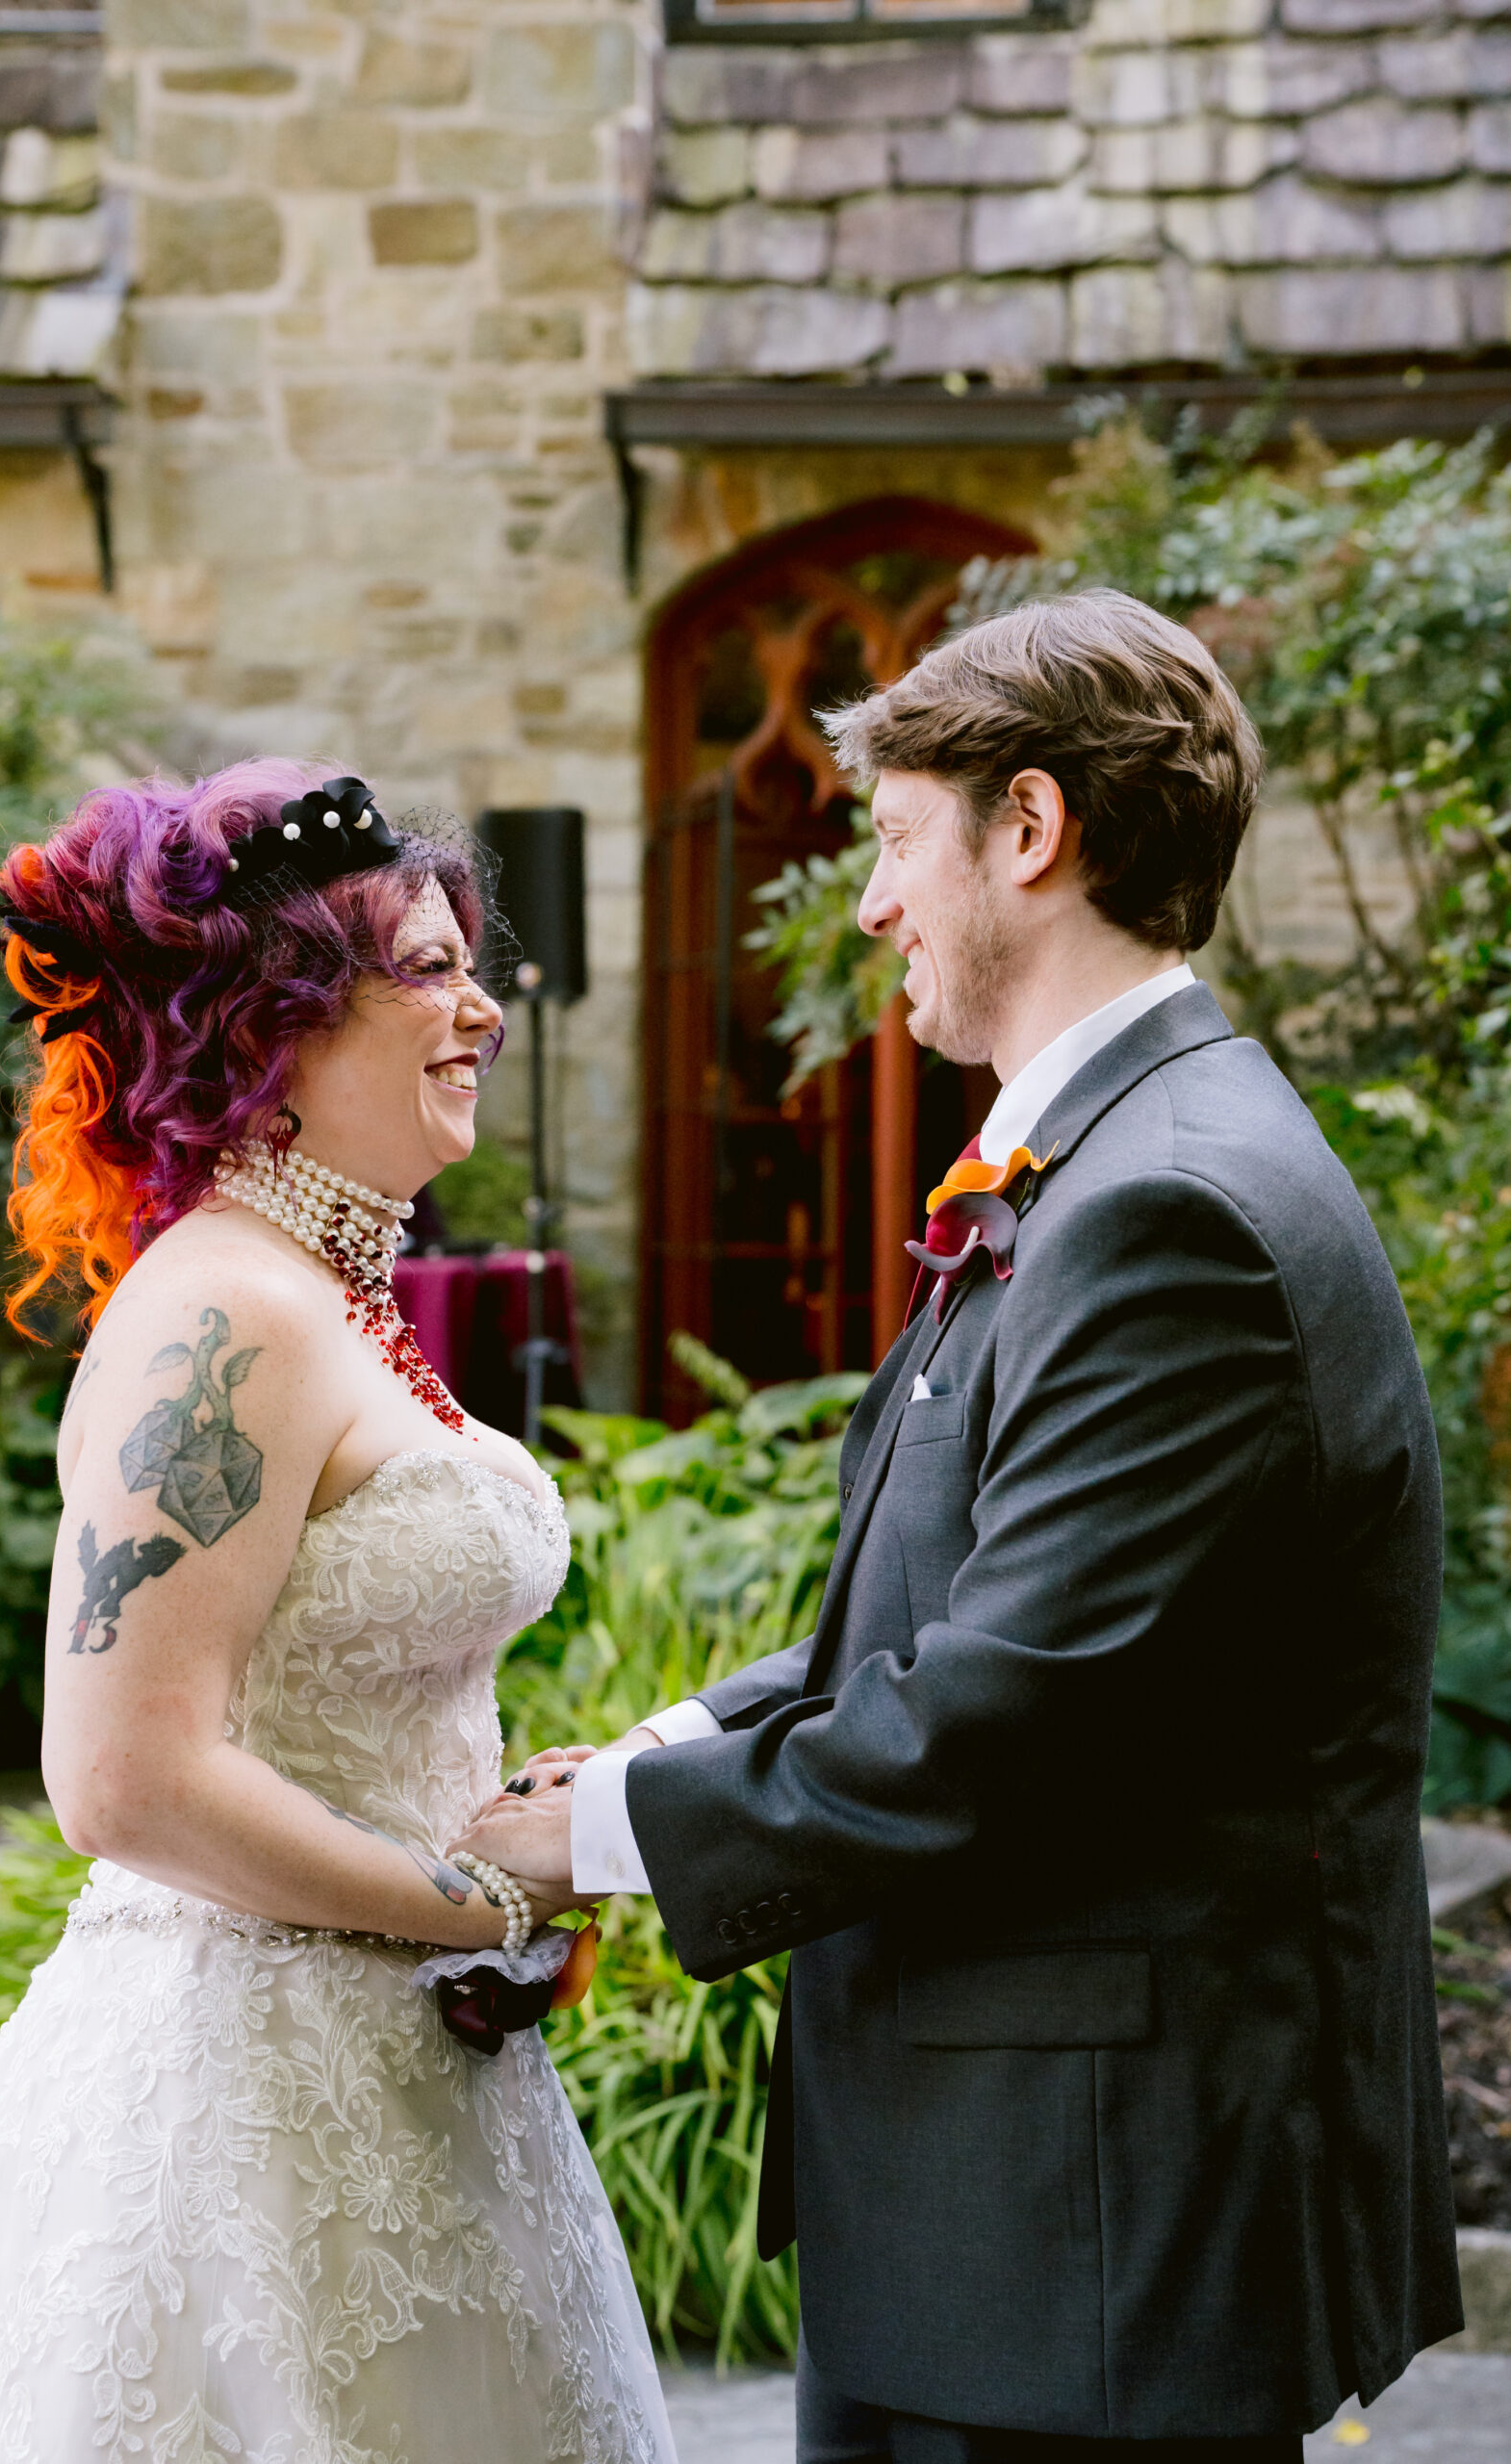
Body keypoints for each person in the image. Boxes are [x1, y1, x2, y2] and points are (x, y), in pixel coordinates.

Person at [456, 591, 1463, 2463]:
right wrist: (672, 1740)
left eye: (893, 841)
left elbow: (997, 1709)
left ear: (1026, 826)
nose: (866, 905)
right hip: (1002, 2228)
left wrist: (594, 1836)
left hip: (1083, 2241)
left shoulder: (1169, 1211)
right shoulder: (1111, 1157)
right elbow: (954, 1605)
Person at [0, 761, 675, 2464]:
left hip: (405, 2075)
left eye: (475, 966)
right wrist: (460, 1905)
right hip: (241, 2105)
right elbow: (123, 1782)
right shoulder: (218, 1324)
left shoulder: (333, 1302)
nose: (484, 1010)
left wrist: (511, 1819)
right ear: (273, 1024)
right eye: (431, 972)